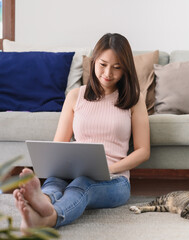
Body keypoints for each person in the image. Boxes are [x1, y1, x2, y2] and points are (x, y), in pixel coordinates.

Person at [13, 33, 150, 231]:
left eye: (117, 67)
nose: (108, 73)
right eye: (103, 64)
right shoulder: (76, 96)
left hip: (115, 180)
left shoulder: (134, 99)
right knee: (54, 182)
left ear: (126, 69)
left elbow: (143, 151)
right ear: (94, 61)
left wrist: (109, 169)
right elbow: (58, 144)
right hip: (71, 171)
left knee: (82, 184)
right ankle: (42, 200)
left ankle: (49, 218)